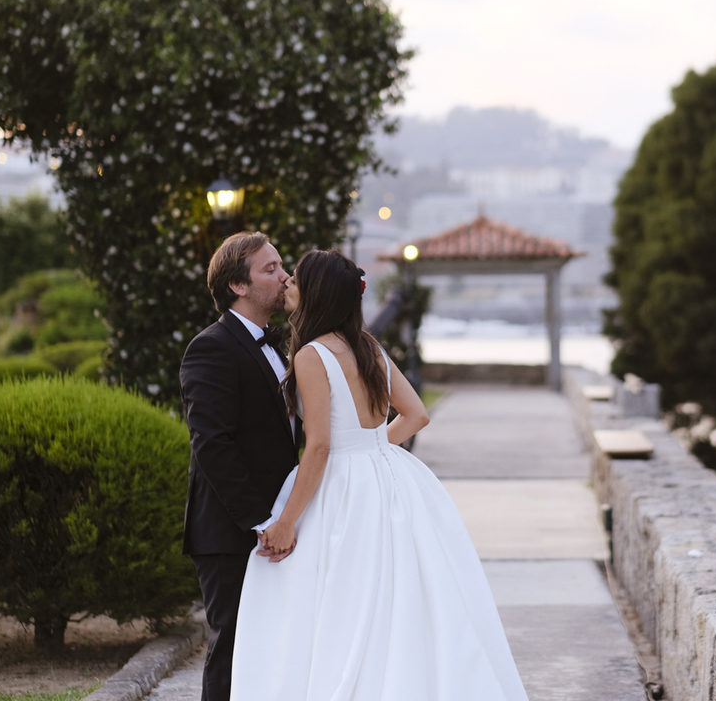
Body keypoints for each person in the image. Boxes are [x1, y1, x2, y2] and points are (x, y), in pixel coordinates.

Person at [230, 249, 529, 701]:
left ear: (316, 293)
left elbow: (320, 445)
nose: (287, 282)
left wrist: (287, 520)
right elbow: (417, 415)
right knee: (394, 595)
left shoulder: (312, 355)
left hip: (342, 488)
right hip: (390, 477)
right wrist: (370, 449)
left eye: (297, 278)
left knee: (333, 599)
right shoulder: (368, 347)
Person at [180, 232, 301, 701]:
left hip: (276, 526)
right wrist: (261, 521)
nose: (284, 276)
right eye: (270, 269)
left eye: (282, 265)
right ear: (238, 286)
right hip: (232, 532)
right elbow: (213, 443)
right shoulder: (211, 347)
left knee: (272, 650)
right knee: (231, 649)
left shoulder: (277, 347)